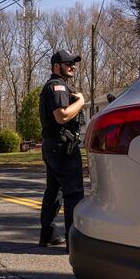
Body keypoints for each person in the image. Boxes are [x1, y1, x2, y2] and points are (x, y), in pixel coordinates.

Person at [38, 50, 85, 248]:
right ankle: (74, 243)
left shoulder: (58, 86)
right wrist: (81, 101)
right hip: (61, 147)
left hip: (53, 146)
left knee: (54, 192)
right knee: (73, 193)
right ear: (56, 66)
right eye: (68, 63)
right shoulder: (57, 85)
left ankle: (47, 235)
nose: (72, 66)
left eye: (73, 63)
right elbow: (62, 116)